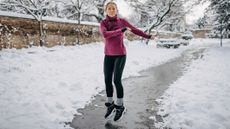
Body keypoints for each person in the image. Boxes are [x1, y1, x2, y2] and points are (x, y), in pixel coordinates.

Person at [100, 1, 155, 122]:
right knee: (107, 80)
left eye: (113, 8)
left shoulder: (122, 21)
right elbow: (105, 34)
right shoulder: (103, 23)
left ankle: (120, 106)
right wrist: (120, 31)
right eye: (109, 8)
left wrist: (148, 36)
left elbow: (134, 30)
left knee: (116, 80)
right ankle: (110, 105)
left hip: (120, 55)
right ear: (106, 10)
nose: (111, 10)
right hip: (108, 55)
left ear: (116, 10)